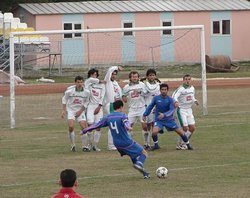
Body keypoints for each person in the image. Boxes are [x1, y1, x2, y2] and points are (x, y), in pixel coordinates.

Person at [81, 100, 150, 179]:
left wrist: (85, 130)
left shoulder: (108, 117)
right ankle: (140, 164)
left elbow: (97, 125)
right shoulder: (122, 115)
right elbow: (126, 122)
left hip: (117, 144)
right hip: (126, 142)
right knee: (143, 153)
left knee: (133, 156)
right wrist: (128, 127)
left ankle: (145, 173)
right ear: (121, 107)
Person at [143, 83, 193, 150]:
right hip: (159, 120)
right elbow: (150, 106)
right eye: (162, 89)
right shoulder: (156, 98)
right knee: (154, 132)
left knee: (181, 132)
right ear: (160, 90)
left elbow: (171, 110)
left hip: (169, 120)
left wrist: (164, 115)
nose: (164, 91)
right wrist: (145, 114)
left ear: (167, 90)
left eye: (165, 89)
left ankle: (188, 145)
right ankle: (156, 145)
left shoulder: (170, 99)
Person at [61, 75, 90, 152]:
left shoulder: (86, 92)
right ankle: (73, 145)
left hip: (80, 110)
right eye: (78, 82)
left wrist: (80, 111)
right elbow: (64, 99)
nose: (80, 83)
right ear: (75, 83)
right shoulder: (70, 91)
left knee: (84, 128)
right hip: (71, 110)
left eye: (81, 82)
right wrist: (64, 110)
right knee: (71, 126)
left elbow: (87, 102)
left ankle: (85, 146)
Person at [172, 74, 199, 150]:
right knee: (185, 128)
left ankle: (183, 143)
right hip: (181, 110)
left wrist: (195, 100)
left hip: (189, 110)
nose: (187, 81)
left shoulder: (192, 88)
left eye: (189, 79)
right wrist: (176, 102)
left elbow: (192, 97)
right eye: (186, 79)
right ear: (183, 80)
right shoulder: (180, 89)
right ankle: (180, 144)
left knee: (192, 128)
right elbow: (174, 96)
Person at [122, 71, 148, 146]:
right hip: (132, 109)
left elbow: (146, 94)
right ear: (130, 78)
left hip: (141, 108)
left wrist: (140, 92)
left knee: (144, 126)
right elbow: (123, 95)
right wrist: (124, 98)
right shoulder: (126, 87)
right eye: (133, 77)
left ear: (138, 77)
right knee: (128, 127)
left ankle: (146, 143)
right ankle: (131, 142)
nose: (134, 78)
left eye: (136, 76)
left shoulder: (142, 85)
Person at [84, 68, 106, 152]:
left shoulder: (102, 85)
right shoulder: (88, 82)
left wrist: (99, 106)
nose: (94, 76)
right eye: (93, 74)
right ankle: (89, 144)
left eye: (96, 75)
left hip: (98, 106)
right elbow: (90, 80)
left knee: (98, 126)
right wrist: (100, 80)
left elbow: (102, 96)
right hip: (90, 106)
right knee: (90, 124)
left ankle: (95, 145)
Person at [140, 69, 161, 149]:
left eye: (153, 75)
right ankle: (146, 143)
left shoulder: (158, 85)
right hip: (147, 107)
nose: (152, 77)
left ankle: (154, 143)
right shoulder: (144, 84)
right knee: (147, 126)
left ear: (155, 76)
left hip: (155, 108)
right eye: (150, 75)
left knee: (154, 125)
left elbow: (159, 96)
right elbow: (143, 94)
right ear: (147, 76)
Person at [103, 66, 123, 151]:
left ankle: (115, 143)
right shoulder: (107, 81)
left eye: (115, 74)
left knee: (116, 124)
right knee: (113, 124)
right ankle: (111, 145)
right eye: (112, 74)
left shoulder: (115, 83)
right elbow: (109, 70)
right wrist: (117, 67)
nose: (113, 75)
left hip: (116, 105)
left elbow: (119, 93)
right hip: (110, 104)